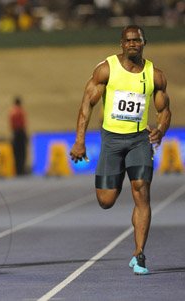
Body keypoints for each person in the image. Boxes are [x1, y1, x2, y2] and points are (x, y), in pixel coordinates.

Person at [69, 25, 171, 275]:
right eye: (129, 40)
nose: (133, 44)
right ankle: (121, 174)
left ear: (144, 42)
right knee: (106, 200)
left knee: (142, 191)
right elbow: (86, 105)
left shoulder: (154, 75)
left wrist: (161, 129)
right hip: (112, 141)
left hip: (139, 140)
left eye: (137, 40)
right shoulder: (106, 69)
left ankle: (139, 254)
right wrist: (79, 140)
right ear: (121, 44)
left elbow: (164, 110)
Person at [9, 95, 28, 175]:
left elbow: (11, 124)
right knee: (22, 153)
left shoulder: (11, 112)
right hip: (21, 133)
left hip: (15, 133)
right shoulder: (21, 111)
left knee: (16, 153)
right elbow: (23, 124)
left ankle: (17, 170)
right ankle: (21, 169)